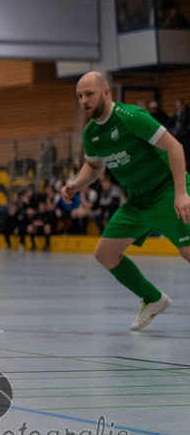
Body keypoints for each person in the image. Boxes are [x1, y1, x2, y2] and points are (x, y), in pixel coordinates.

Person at [61, 71, 190, 331]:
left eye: (89, 94)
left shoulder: (131, 117)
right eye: (79, 96)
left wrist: (181, 193)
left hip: (167, 191)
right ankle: (153, 299)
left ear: (106, 93)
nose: (84, 100)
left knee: (188, 251)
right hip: (139, 201)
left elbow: (175, 147)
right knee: (105, 254)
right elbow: (94, 166)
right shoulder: (91, 134)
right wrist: (76, 185)